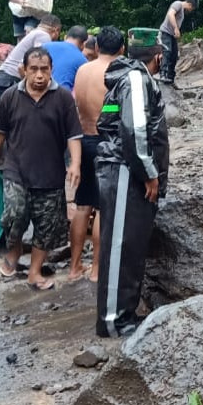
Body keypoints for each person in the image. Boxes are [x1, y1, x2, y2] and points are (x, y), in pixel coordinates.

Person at [0, 46, 83, 290]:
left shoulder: (62, 99)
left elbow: (73, 135)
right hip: (16, 172)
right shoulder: (10, 97)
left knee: (46, 226)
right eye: (34, 69)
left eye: (44, 70)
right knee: (14, 216)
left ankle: (35, 272)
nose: (39, 75)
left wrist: (76, 164)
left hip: (50, 175)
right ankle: (14, 253)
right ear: (23, 70)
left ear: (51, 70)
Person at [95, 28, 169, 337]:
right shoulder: (137, 80)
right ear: (159, 57)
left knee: (129, 244)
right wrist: (149, 172)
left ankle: (123, 313)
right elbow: (133, 129)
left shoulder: (123, 81)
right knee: (121, 246)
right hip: (126, 171)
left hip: (123, 170)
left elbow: (105, 120)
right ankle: (114, 320)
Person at [70, 26, 125, 283]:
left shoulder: (82, 70)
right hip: (106, 143)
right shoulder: (115, 73)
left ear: (97, 46)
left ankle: (74, 266)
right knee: (103, 208)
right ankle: (96, 270)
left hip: (82, 142)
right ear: (121, 49)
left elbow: (78, 103)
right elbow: (111, 107)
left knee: (82, 206)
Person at [0, 14, 61, 107]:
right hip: (8, 82)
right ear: (56, 30)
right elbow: (23, 66)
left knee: (7, 120)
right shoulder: (44, 36)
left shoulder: (34, 33)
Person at [158, 0, 198, 85]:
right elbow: (170, 14)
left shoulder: (182, 11)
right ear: (190, 5)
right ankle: (163, 74)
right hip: (166, 32)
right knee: (167, 52)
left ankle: (170, 78)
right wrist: (176, 28)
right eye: (192, 8)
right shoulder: (178, 4)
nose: (191, 10)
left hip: (172, 35)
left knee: (174, 55)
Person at [44, 25, 89, 91]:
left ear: (65, 37)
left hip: (39, 92)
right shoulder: (83, 61)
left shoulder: (45, 46)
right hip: (63, 96)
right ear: (84, 43)